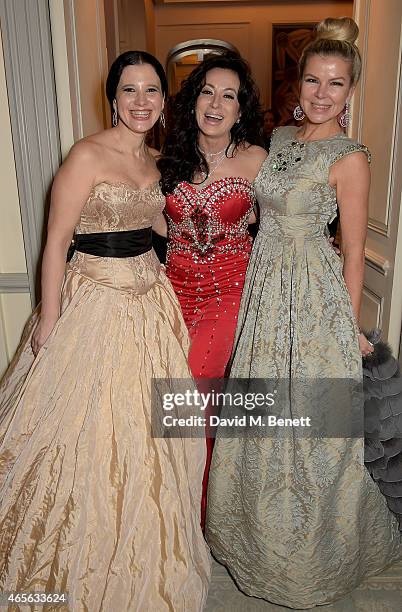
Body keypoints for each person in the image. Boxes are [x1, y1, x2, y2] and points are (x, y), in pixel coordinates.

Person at [0, 51, 210, 610]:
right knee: (85, 432)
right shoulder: (85, 156)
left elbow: (161, 222)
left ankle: (148, 545)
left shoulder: (159, 162)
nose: (140, 102)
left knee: (151, 433)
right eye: (129, 91)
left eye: (151, 92)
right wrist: (49, 323)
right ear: (112, 99)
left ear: (163, 102)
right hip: (93, 301)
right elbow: (54, 244)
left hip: (150, 304)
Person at [206, 17, 402, 608]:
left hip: (311, 295)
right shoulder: (282, 140)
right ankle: (254, 538)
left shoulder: (351, 157)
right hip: (264, 294)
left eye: (336, 83)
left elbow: (349, 247)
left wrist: (345, 326)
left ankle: (313, 551)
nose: (321, 93)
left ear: (350, 92)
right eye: (313, 80)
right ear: (300, 84)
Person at [155, 51, 267, 527]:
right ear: (193, 100)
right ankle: (172, 500)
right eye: (207, 91)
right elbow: (153, 225)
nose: (216, 104)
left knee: (194, 391)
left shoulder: (258, 160)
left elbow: (285, 222)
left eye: (229, 95)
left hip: (229, 291)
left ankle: (199, 517)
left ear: (241, 109)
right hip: (171, 291)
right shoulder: (166, 160)